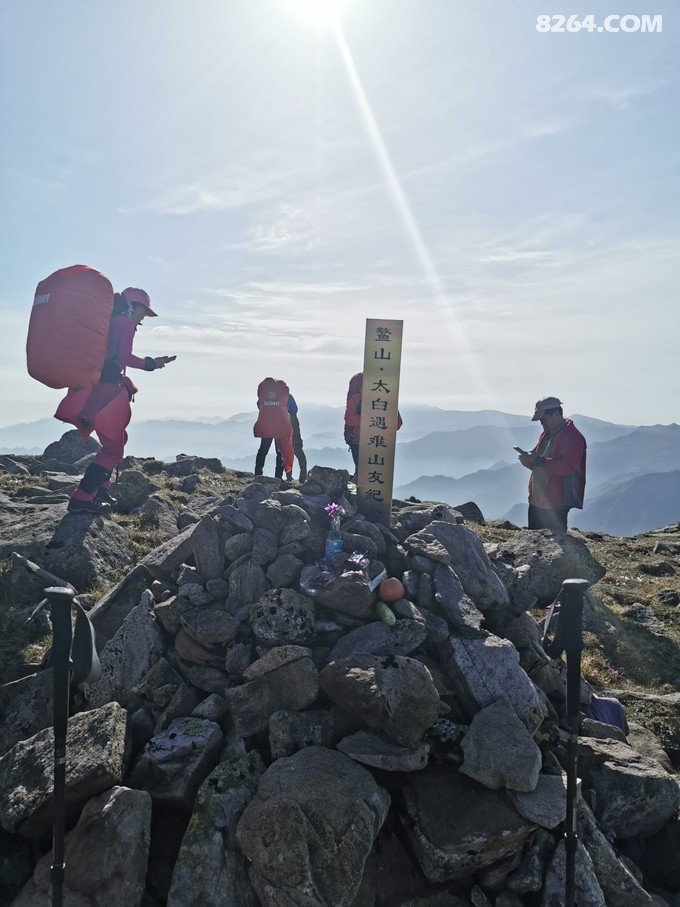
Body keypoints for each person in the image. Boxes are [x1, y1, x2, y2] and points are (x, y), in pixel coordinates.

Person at [56, 288, 176, 514]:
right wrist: (152, 364)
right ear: (134, 306)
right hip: (107, 391)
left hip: (98, 386)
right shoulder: (124, 323)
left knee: (119, 438)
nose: (143, 319)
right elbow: (124, 357)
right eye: (143, 312)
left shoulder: (110, 321)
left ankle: (101, 489)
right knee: (113, 448)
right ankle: (82, 498)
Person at [517, 396, 586, 532]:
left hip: (557, 502)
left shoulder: (573, 437)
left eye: (544, 419)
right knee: (534, 540)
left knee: (554, 542)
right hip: (538, 498)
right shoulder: (547, 433)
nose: (542, 424)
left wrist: (540, 461)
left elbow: (568, 467)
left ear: (556, 414)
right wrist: (529, 460)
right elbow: (539, 457)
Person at [344, 372, 402, 477]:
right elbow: (349, 419)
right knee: (368, 475)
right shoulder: (357, 399)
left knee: (364, 474)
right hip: (374, 443)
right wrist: (373, 420)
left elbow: (397, 423)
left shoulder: (386, 400)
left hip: (363, 442)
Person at [253, 377, 295, 481]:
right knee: (280, 452)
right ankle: (278, 477)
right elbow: (294, 410)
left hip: (267, 426)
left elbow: (259, 405)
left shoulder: (263, 395)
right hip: (280, 427)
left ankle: (258, 475)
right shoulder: (284, 394)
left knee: (263, 450)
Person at [274, 392, 307, 482]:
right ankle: (302, 479)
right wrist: (298, 439)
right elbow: (296, 428)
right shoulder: (292, 416)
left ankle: (283, 477)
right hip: (292, 439)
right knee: (301, 458)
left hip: (280, 439)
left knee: (283, 458)